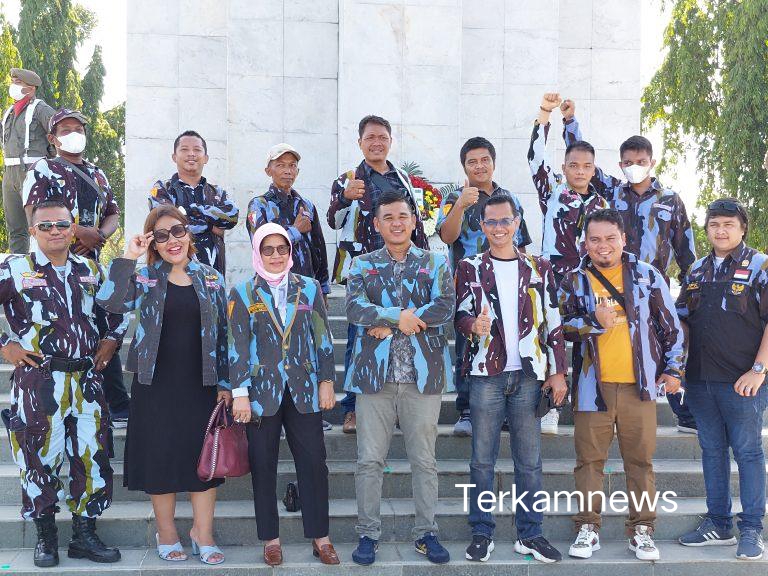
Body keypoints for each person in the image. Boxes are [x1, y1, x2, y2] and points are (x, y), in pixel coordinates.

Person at [96, 205, 230, 565]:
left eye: (179, 231)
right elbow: (109, 302)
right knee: (161, 458)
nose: (173, 240)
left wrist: (227, 383)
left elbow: (224, 336)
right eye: (162, 234)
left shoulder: (211, 277)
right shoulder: (145, 276)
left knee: (204, 461)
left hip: (202, 383)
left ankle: (202, 533)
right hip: (154, 383)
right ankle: (167, 532)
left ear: (189, 233)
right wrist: (128, 256)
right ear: (153, 242)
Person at [561, 98, 698, 434]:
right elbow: (581, 159)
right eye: (628, 162)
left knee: (664, 342)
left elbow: (687, 252)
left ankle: (684, 411)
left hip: (653, 288)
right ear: (620, 165)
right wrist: (569, 121)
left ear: (651, 162)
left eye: (641, 161)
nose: (634, 166)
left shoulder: (670, 201)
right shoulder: (611, 193)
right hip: (612, 284)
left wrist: (689, 297)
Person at [1, 200, 125, 567]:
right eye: (46, 226)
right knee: (39, 458)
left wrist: (111, 339)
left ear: (73, 229)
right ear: (34, 230)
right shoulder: (13, 268)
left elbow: (114, 308)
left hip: (86, 379)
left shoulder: (88, 269)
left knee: (93, 456)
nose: (54, 231)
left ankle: (85, 536)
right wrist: (4, 345)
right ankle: (46, 538)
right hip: (39, 379)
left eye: (61, 225)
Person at [559, 209, 685, 561]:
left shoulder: (647, 276)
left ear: (624, 239)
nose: (603, 246)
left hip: (639, 387)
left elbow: (671, 328)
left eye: (610, 238)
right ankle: (588, 527)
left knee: (640, 462)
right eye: (595, 240)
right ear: (585, 243)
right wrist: (591, 321)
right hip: (591, 388)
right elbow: (560, 329)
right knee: (589, 462)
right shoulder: (574, 279)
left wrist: (673, 370)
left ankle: (642, 530)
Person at [455, 195, 567, 563]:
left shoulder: (539, 267)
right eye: (491, 222)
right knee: (481, 459)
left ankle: (530, 534)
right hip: (486, 375)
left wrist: (559, 371)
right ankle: (481, 533)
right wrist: (474, 324)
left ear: (517, 223)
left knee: (529, 461)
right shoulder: (470, 266)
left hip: (529, 376)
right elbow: (459, 318)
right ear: (482, 226)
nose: (499, 228)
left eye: (506, 221)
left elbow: (554, 321)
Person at [345, 190, 455, 566]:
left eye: (403, 216)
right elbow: (355, 308)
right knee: (368, 460)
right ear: (376, 224)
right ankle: (368, 535)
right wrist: (397, 318)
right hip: (374, 378)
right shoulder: (361, 265)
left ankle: (426, 533)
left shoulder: (436, 262)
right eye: (388, 217)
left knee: (424, 460)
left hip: (422, 378)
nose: (396, 222)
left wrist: (388, 322)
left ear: (413, 221)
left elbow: (444, 306)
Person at [229, 223, 339, 567]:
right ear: (257, 253)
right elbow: (236, 345)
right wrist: (239, 393)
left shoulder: (308, 288)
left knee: (314, 464)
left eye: (282, 249)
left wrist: (327, 381)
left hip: (304, 390)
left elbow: (322, 336)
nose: (276, 256)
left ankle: (321, 537)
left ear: (290, 252)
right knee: (263, 465)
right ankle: (271, 540)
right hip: (261, 395)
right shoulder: (243, 292)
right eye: (268, 249)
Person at [22, 108, 129, 427]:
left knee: (105, 325)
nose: (74, 133)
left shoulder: (98, 173)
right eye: (66, 128)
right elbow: (32, 213)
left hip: (91, 266)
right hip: (53, 268)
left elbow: (112, 213)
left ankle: (116, 401)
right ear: (52, 138)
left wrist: (100, 234)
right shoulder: (42, 169)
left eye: (78, 127)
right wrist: (75, 231)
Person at [676, 199, 767, 560]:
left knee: (747, 452)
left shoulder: (760, 266)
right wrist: (677, 362)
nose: (721, 230)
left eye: (728, 224)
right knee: (712, 452)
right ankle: (718, 523)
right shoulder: (696, 270)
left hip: (743, 381)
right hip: (700, 380)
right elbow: (682, 317)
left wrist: (758, 370)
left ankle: (752, 529)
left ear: (742, 227)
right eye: (714, 224)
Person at [327, 115, 429, 434]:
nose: (376, 142)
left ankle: (394, 406)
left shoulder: (402, 179)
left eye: (382, 137)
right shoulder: (348, 178)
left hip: (401, 268)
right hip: (363, 270)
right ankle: (353, 408)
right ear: (360, 142)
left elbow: (415, 222)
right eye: (370, 137)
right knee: (360, 337)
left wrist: (424, 262)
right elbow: (332, 219)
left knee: (399, 335)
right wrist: (345, 197)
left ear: (389, 141)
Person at [437, 136, 533, 437]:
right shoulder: (455, 197)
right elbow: (447, 237)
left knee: (507, 338)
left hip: (508, 281)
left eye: (484, 160)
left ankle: (506, 407)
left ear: (492, 162)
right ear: (464, 166)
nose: (479, 166)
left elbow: (523, 243)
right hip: (471, 285)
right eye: (472, 161)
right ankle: (466, 410)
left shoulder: (509, 198)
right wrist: (461, 207)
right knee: (468, 343)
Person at [528, 92, 609, 434]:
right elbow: (534, 158)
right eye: (573, 165)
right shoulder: (554, 192)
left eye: (586, 166)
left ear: (594, 168)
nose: (579, 170)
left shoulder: (603, 201)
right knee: (553, 341)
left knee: (588, 340)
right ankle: (551, 408)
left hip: (589, 282)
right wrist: (547, 114)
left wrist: (572, 122)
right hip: (553, 280)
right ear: (563, 169)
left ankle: (587, 406)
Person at [149, 130, 239, 274]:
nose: (191, 153)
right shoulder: (162, 189)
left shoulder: (217, 193)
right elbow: (165, 220)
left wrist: (190, 211)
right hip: (172, 275)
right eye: (184, 149)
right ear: (174, 157)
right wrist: (212, 226)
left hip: (212, 276)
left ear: (206, 158)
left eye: (197, 150)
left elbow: (232, 216)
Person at [2, 68, 55, 253]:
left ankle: (45, 269)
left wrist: (51, 164)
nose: (13, 86)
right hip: (10, 174)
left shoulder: (41, 109)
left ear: (30, 88)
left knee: (40, 225)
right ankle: (18, 271)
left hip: (32, 171)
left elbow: (57, 134)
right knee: (16, 229)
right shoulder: (9, 112)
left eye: (18, 83)